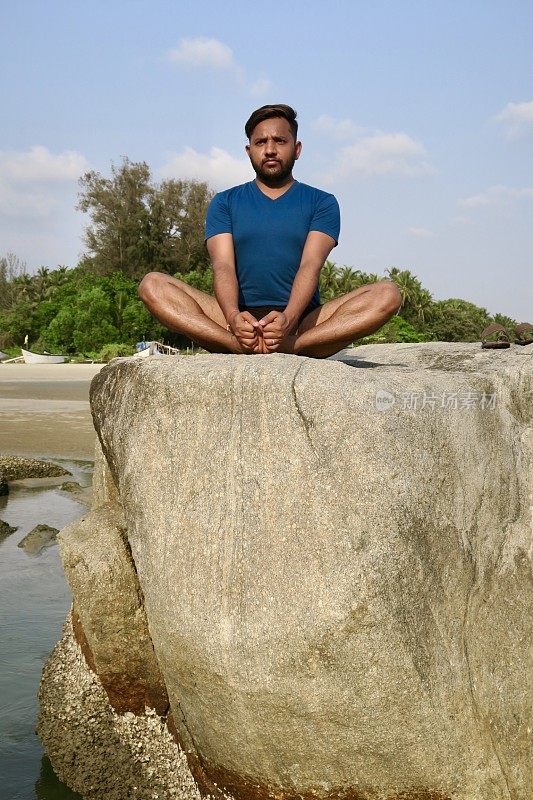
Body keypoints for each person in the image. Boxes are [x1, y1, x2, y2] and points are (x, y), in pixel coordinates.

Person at [138, 104, 401, 358]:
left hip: (302, 322)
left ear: (297, 149)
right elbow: (223, 267)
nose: (270, 150)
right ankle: (235, 345)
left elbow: (310, 265)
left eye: (280, 141)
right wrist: (232, 319)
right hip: (234, 321)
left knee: (387, 295)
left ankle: (293, 346)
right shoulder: (225, 202)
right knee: (153, 284)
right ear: (248, 150)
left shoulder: (322, 202)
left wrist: (288, 320)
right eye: (261, 142)